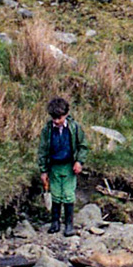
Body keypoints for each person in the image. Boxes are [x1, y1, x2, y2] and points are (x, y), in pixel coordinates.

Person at [38, 97, 85, 236]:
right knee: (56, 195)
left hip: (69, 166)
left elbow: (83, 146)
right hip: (54, 166)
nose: (56, 121)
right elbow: (42, 150)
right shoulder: (47, 130)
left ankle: (69, 224)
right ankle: (55, 222)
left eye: (59, 118)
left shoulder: (74, 128)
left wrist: (79, 162)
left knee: (68, 194)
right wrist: (43, 170)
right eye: (54, 118)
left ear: (65, 115)